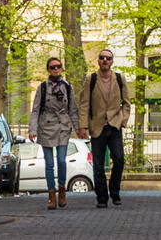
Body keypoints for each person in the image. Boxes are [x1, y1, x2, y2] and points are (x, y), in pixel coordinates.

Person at [77, 49, 131, 208]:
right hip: (97, 127)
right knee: (98, 164)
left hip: (114, 126)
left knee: (119, 159)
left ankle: (114, 192)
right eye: (102, 58)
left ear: (112, 61)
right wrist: (83, 126)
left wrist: (123, 120)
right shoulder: (91, 79)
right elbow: (84, 104)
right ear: (98, 61)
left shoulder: (120, 79)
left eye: (108, 58)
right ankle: (101, 197)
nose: (105, 60)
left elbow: (127, 103)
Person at [28, 57, 80, 209]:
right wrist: (32, 129)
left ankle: (62, 190)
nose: (56, 69)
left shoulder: (68, 87)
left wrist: (79, 128)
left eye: (58, 66)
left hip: (63, 127)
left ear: (61, 68)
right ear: (48, 69)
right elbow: (35, 110)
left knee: (62, 161)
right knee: (49, 163)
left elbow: (73, 110)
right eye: (52, 67)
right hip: (46, 127)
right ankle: (51, 194)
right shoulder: (43, 88)